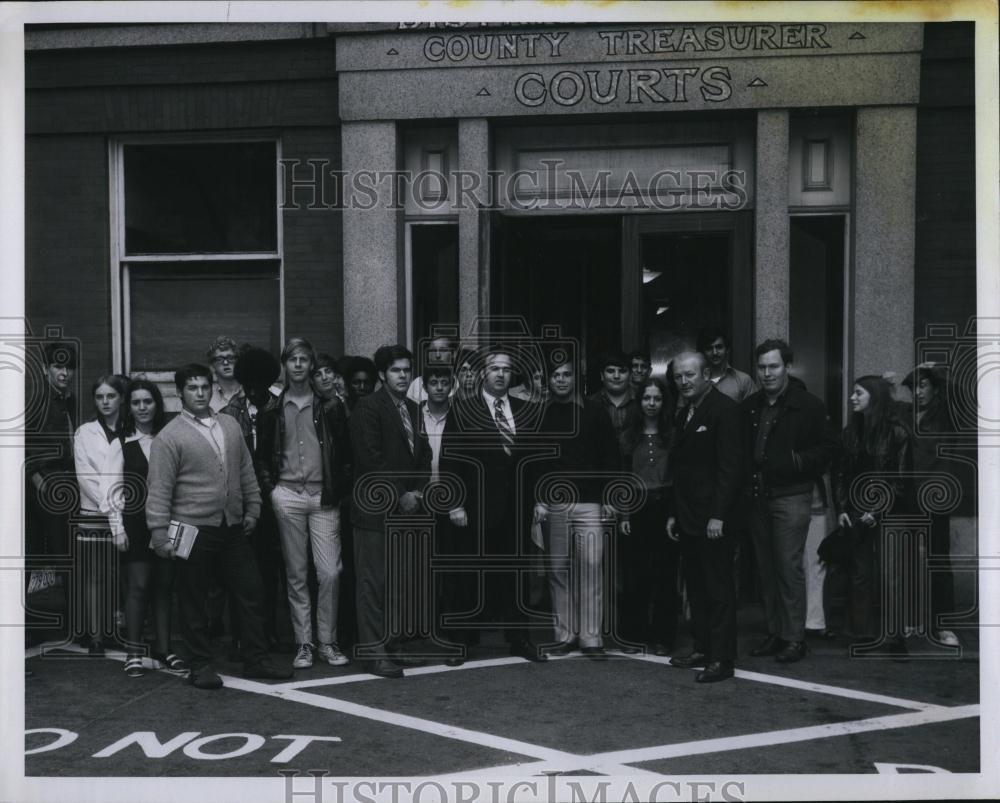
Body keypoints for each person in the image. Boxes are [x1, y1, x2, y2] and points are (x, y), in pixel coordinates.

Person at [146, 363, 292, 689]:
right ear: (180, 393)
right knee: (194, 599)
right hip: (191, 529)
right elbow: (159, 489)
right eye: (192, 388)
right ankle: (199, 665)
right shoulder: (169, 437)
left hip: (233, 526)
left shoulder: (229, 425)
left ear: (212, 388)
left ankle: (256, 659)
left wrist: (253, 508)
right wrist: (159, 534)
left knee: (251, 592)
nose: (200, 393)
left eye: (204, 387)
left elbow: (246, 471)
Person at [441, 345, 548, 663]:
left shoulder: (525, 408)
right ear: (483, 373)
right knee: (469, 575)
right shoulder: (462, 410)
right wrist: (455, 503)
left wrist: (540, 498)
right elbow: (451, 460)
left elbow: (536, 460)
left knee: (516, 575)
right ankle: (462, 643)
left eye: (506, 368)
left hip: (516, 508)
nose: (501, 373)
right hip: (475, 509)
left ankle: (520, 640)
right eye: (495, 368)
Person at [256, 338, 352, 670]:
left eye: (304, 359)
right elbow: (263, 457)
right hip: (288, 496)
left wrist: (339, 488)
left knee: (330, 572)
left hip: (323, 497)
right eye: (292, 359)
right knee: (296, 574)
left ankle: (328, 640)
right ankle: (304, 643)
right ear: (285, 365)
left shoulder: (330, 405)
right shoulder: (272, 408)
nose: (298, 364)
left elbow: (345, 454)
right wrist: (272, 491)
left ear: (312, 365)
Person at [742, 339, 839, 664]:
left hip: (792, 496)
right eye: (762, 367)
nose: (767, 373)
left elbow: (828, 449)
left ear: (788, 367)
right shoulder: (752, 405)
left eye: (774, 366)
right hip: (758, 496)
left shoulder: (809, 405)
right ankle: (776, 632)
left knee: (788, 566)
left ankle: (795, 638)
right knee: (766, 569)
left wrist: (795, 461)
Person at [348, 345, 432, 678]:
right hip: (375, 511)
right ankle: (373, 653)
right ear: (382, 374)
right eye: (396, 370)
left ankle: (393, 646)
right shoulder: (367, 408)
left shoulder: (413, 408)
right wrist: (400, 495)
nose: (402, 376)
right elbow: (370, 459)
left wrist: (419, 491)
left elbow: (423, 454)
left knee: (398, 583)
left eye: (406, 370)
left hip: (407, 510)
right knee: (372, 584)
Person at [533, 354, 620, 659]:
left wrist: (610, 497)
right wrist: (539, 499)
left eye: (566, 374)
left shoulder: (595, 412)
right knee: (558, 571)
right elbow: (536, 462)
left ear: (576, 378)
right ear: (548, 380)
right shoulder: (541, 415)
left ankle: (591, 638)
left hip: (589, 503)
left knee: (591, 568)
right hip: (554, 505)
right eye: (555, 375)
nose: (560, 379)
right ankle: (565, 635)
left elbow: (611, 456)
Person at [666, 353, 743, 683]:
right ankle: (703, 646)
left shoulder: (726, 410)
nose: (684, 381)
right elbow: (681, 470)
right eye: (679, 376)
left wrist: (718, 516)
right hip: (687, 518)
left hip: (713, 521)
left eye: (690, 375)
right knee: (696, 588)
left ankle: (722, 659)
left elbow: (731, 469)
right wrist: (673, 513)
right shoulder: (684, 412)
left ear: (706, 375)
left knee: (718, 589)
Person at [110, 379, 186, 677]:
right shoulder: (121, 443)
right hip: (135, 525)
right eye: (136, 402)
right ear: (129, 407)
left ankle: (165, 649)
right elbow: (112, 491)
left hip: (168, 524)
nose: (142, 408)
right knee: (139, 587)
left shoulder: (169, 439)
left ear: (157, 405)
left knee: (165, 588)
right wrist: (117, 528)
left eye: (148, 401)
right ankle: (133, 652)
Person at [833, 376, 913, 652]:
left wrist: (877, 510)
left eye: (858, 393)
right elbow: (841, 473)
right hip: (857, 510)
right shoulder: (850, 432)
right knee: (860, 573)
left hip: (891, 512)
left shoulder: (898, 432)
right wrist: (842, 509)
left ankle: (895, 639)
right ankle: (862, 635)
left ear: (875, 397)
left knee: (892, 575)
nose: (852, 398)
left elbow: (900, 480)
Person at [220, 345, 283, 650]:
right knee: (240, 572)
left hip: (272, 498)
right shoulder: (230, 412)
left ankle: (268, 631)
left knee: (270, 571)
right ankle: (240, 636)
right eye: (250, 386)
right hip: (243, 500)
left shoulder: (279, 407)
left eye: (261, 386)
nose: (255, 392)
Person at [901, 365, 959, 647]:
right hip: (910, 497)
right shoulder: (906, 415)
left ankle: (943, 626)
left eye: (923, 386)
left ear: (935, 388)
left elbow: (960, 395)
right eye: (914, 387)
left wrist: (938, 372)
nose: (918, 392)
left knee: (938, 561)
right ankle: (913, 619)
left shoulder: (946, 414)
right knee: (910, 560)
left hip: (937, 497)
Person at [618, 377, 677, 656]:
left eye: (657, 399)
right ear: (638, 402)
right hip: (637, 509)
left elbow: (679, 479)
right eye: (646, 398)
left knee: (665, 575)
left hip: (665, 508)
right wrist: (625, 515)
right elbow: (623, 478)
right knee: (635, 575)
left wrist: (674, 515)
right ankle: (633, 633)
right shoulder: (628, 436)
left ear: (664, 403)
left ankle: (663, 636)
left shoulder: (673, 435)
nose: (651, 404)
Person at [25, 342, 78, 639]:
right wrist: (39, 482)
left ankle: (75, 625)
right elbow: (19, 446)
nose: (64, 372)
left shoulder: (65, 401)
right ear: (45, 369)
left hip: (62, 482)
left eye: (69, 367)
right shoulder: (34, 400)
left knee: (66, 554)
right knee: (32, 556)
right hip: (42, 485)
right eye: (58, 366)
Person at [73, 374, 129, 655]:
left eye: (111, 396)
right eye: (100, 397)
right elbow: (86, 477)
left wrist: (122, 509)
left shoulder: (131, 429)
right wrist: (112, 508)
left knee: (121, 573)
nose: (105, 402)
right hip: (93, 512)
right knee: (95, 575)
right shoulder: (84, 432)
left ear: (120, 398)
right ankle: (96, 636)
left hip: (128, 512)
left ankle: (118, 631)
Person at [697, 326, 756, 403]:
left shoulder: (743, 381)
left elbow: (754, 411)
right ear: (703, 352)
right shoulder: (695, 381)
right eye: (709, 348)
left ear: (727, 349)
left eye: (719, 347)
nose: (715, 353)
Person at [588, 350, 636, 439]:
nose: (616, 376)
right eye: (610, 371)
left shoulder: (643, 400)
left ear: (630, 375)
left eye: (622, 371)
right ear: (602, 376)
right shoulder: (589, 404)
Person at [206, 335, 243, 413]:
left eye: (231, 358)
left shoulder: (251, 392)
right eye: (219, 359)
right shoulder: (206, 395)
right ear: (212, 367)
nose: (226, 363)